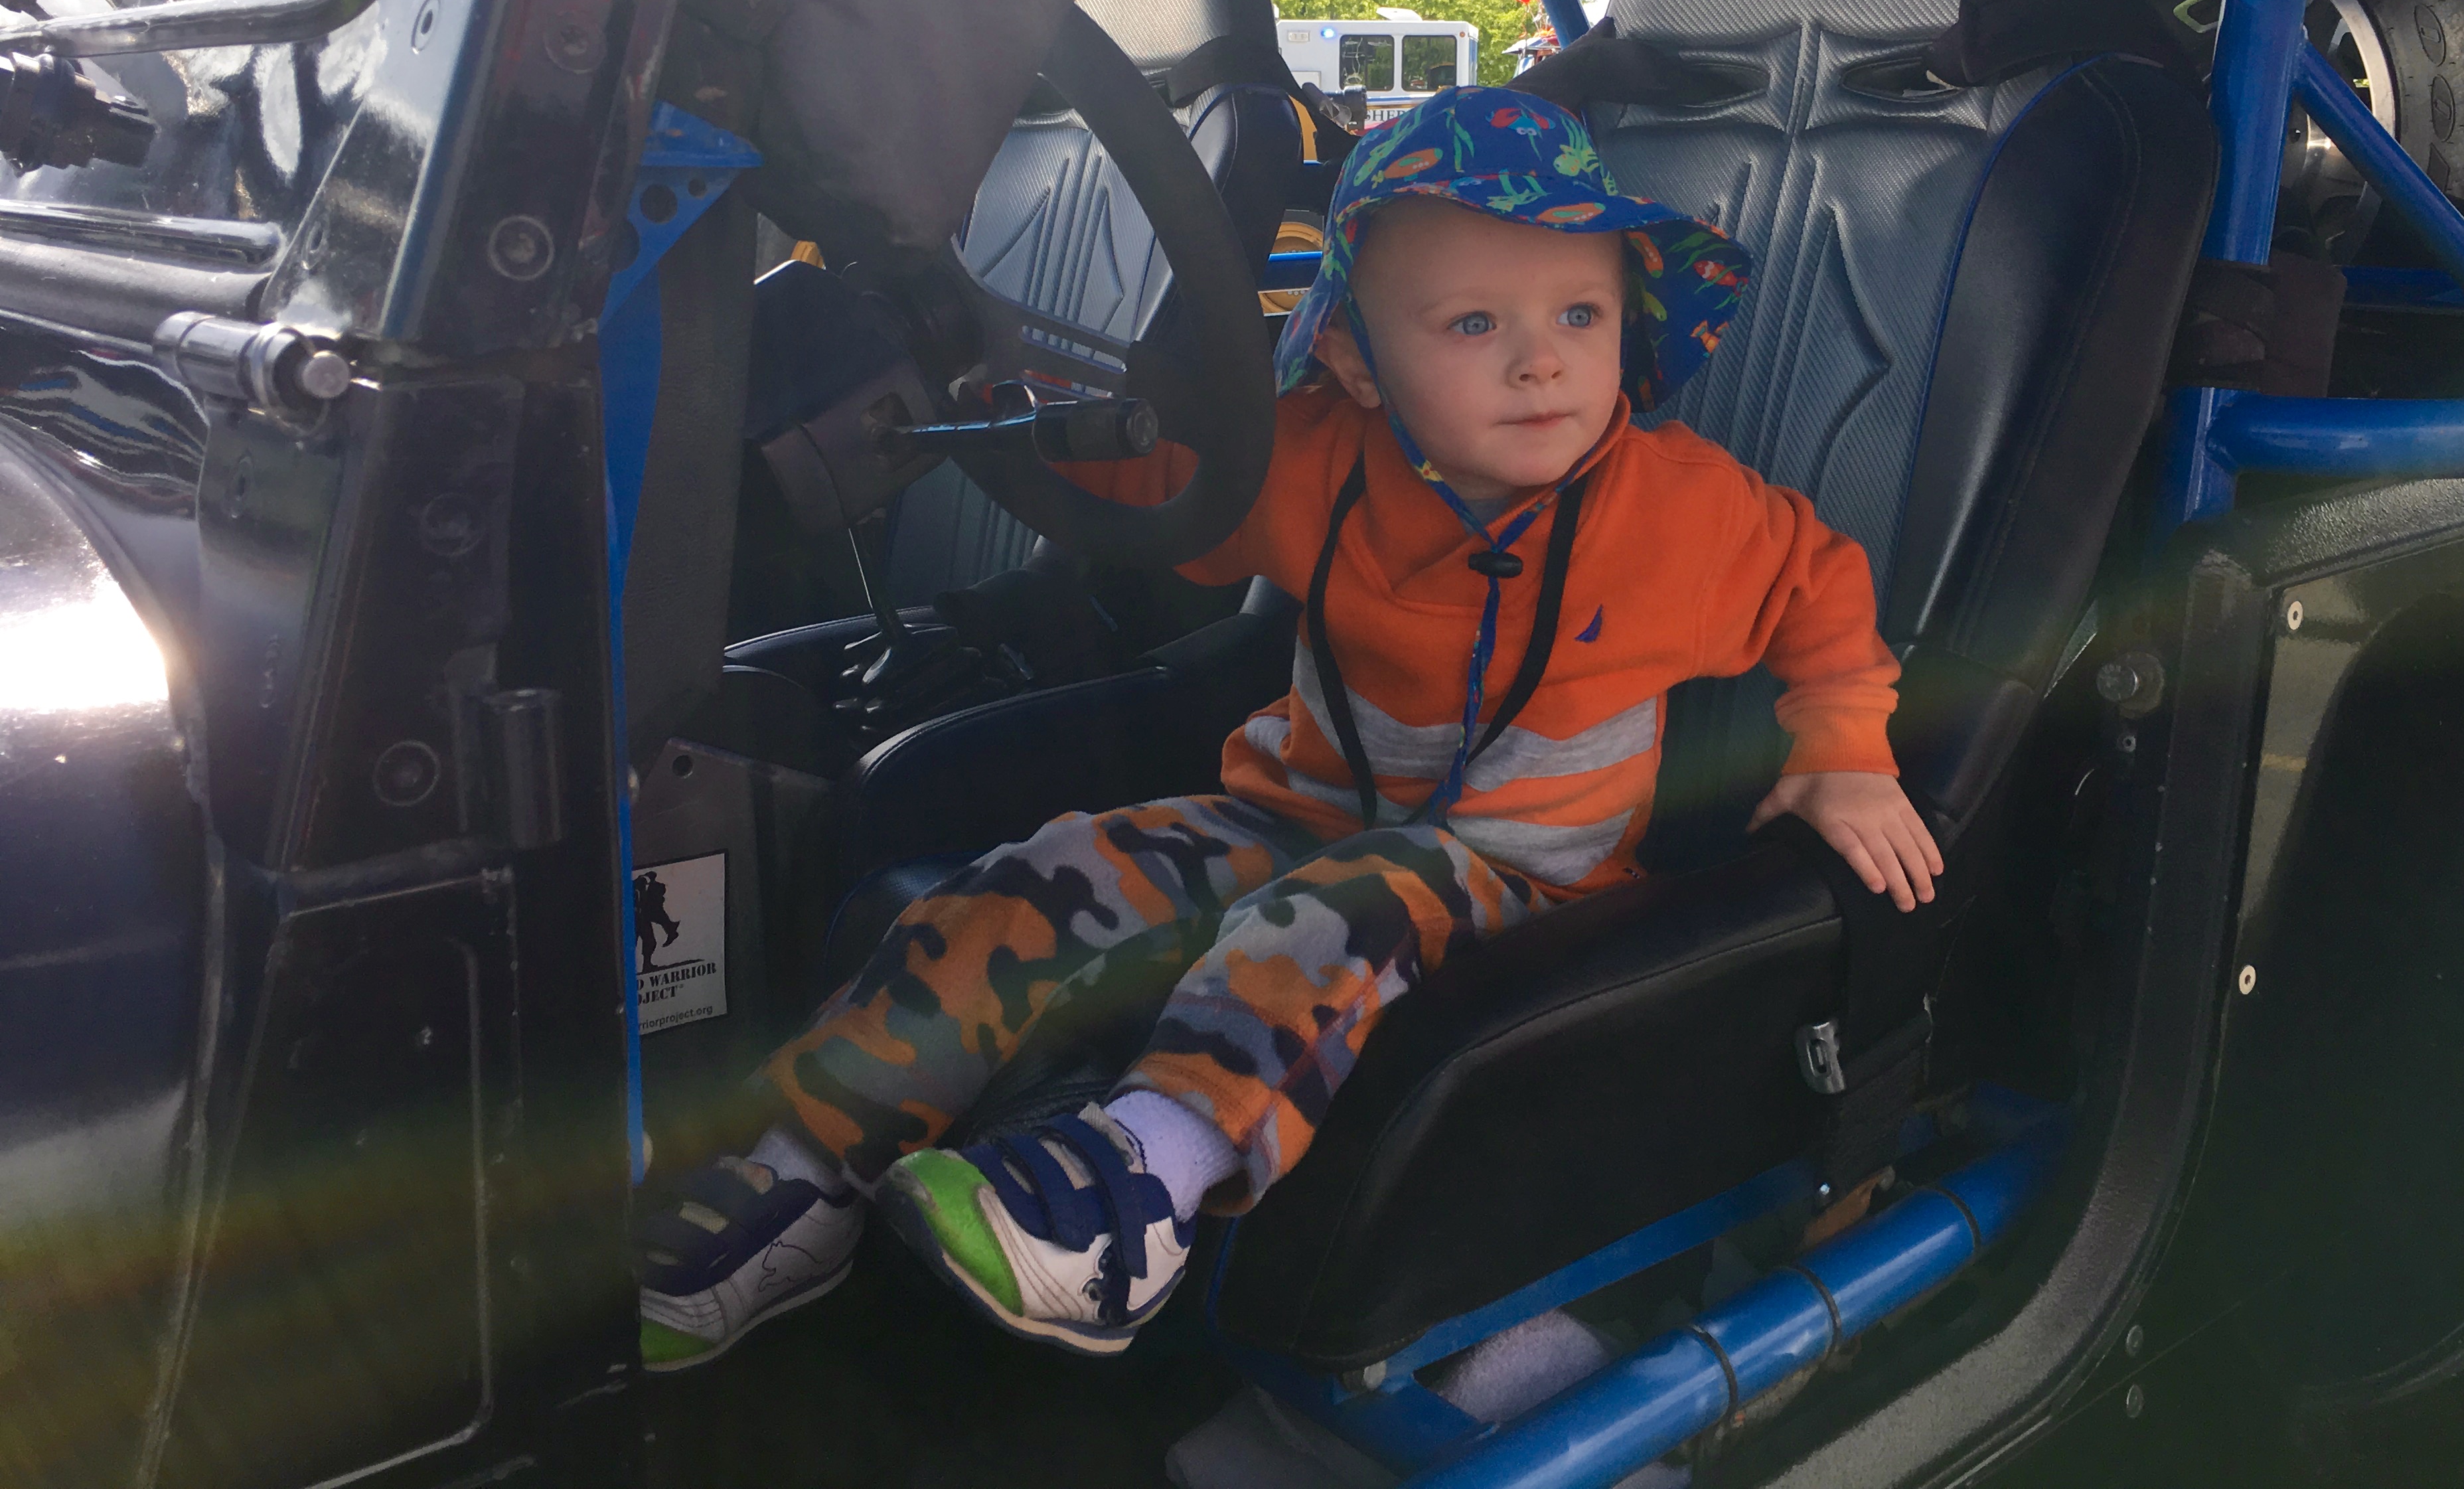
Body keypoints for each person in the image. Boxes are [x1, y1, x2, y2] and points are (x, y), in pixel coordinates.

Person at [637, 86, 1940, 1370]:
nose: (1542, 360)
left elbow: (1821, 588)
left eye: (1581, 315)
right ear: (1358, 363)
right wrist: (996, 401)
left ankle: (1138, 1196)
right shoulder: (1314, 456)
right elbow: (1159, 476)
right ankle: (799, 1174)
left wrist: (1844, 754)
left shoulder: (1685, 513)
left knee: (1343, 907)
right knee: (1042, 875)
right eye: (1473, 322)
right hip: (1294, 814)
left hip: (1531, 877)